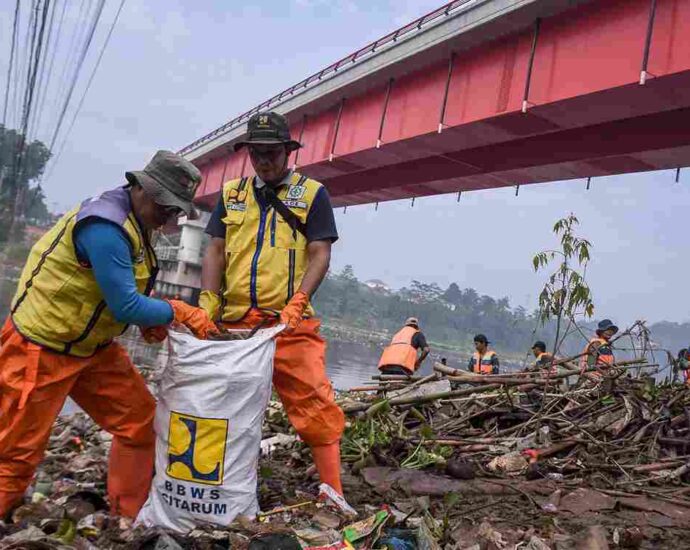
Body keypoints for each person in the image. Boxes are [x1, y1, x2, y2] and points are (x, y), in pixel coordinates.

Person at [0, 150, 217, 519]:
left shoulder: (139, 222)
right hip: (41, 348)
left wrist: (154, 318)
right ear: (144, 190)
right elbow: (125, 305)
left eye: (176, 213)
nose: (171, 219)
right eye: (167, 209)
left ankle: (125, 519)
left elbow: (126, 292)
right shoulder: (106, 227)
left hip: (93, 350)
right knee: (14, 455)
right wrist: (177, 310)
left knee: (140, 425)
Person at [200, 112, 346, 495]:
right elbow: (215, 249)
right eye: (257, 153)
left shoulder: (312, 194)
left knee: (316, 408)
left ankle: (333, 493)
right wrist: (207, 302)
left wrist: (299, 299)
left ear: (287, 152)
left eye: (272, 153)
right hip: (234, 325)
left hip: (289, 324)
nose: (264, 161)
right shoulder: (231, 194)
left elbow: (320, 253)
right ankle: (217, 486)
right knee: (221, 406)